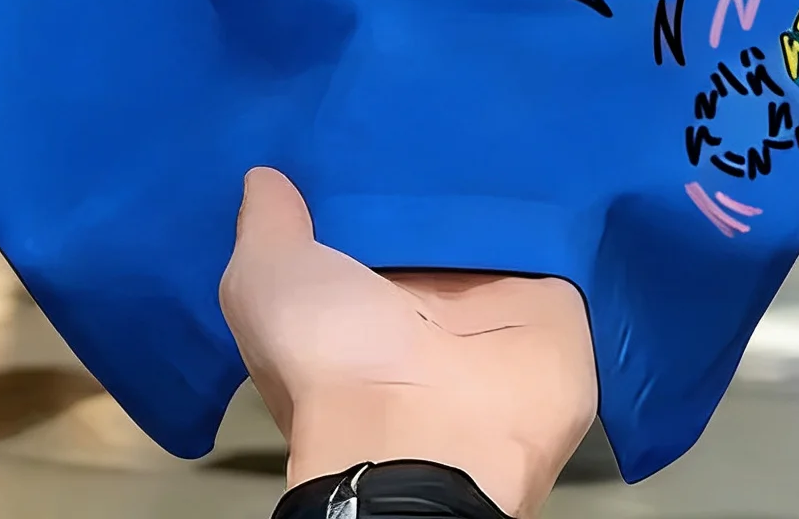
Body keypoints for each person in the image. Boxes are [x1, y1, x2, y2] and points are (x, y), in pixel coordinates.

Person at [222, 167, 596, 519]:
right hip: (511, 353)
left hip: (526, 389)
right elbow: (265, 183)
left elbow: (265, 178)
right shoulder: (318, 331)